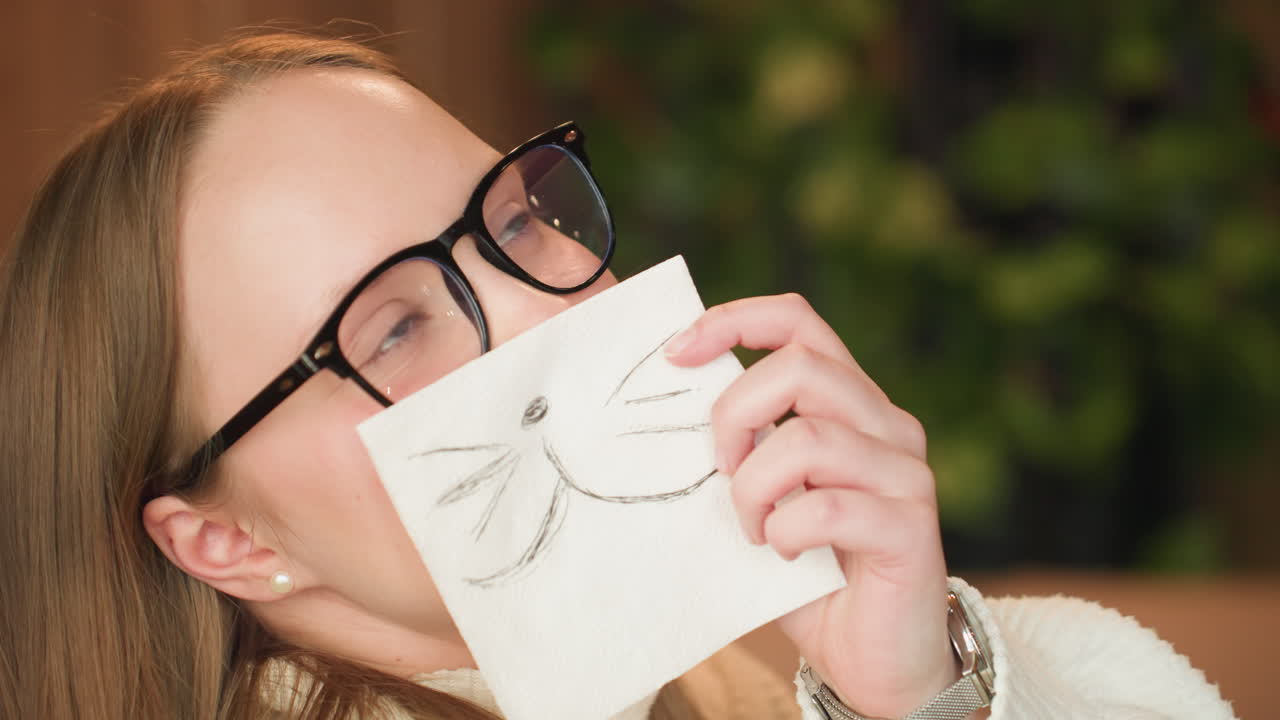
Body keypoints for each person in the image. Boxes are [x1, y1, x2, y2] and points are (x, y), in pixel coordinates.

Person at [0, 30, 1235, 720]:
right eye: (388, 332)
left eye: (513, 219)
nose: (536, 311)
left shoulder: (737, 672)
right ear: (222, 540)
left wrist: (915, 695)